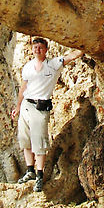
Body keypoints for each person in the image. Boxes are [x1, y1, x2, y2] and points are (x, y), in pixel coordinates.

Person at [11, 37, 83, 192]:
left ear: (46, 49)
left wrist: (86, 47)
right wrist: (17, 107)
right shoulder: (28, 67)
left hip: (40, 107)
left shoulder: (53, 64)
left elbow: (71, 56)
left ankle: (39, 176)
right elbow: (23, 88)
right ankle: (30, 170)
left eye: (41, 48)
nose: (38, 50)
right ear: (32, 49)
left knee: (40, 143)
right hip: (26, 106)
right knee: (25, 140)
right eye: (35, 47)